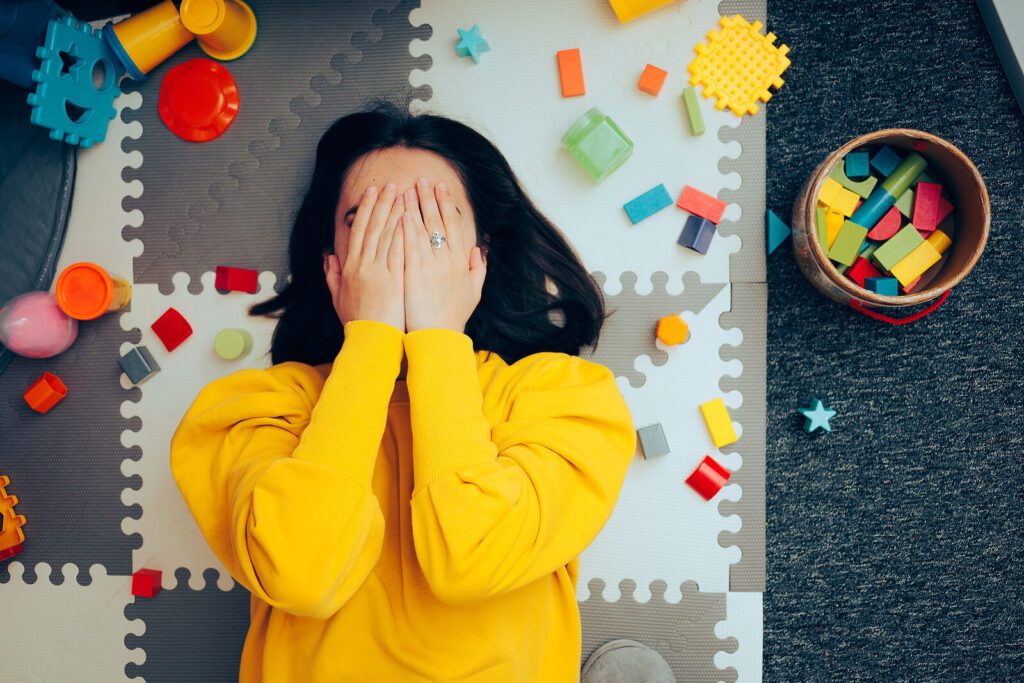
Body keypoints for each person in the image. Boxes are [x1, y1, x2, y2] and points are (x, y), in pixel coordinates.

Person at [170, 101, 645, 681]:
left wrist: (437, 340)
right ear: (332, 264)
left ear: (480, 257)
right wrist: (368, 343)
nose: (402, 245)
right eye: (367, 220)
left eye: (429, 220)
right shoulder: (253, 409)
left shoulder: (567, 396)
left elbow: (471, 558)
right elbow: (301, 573)